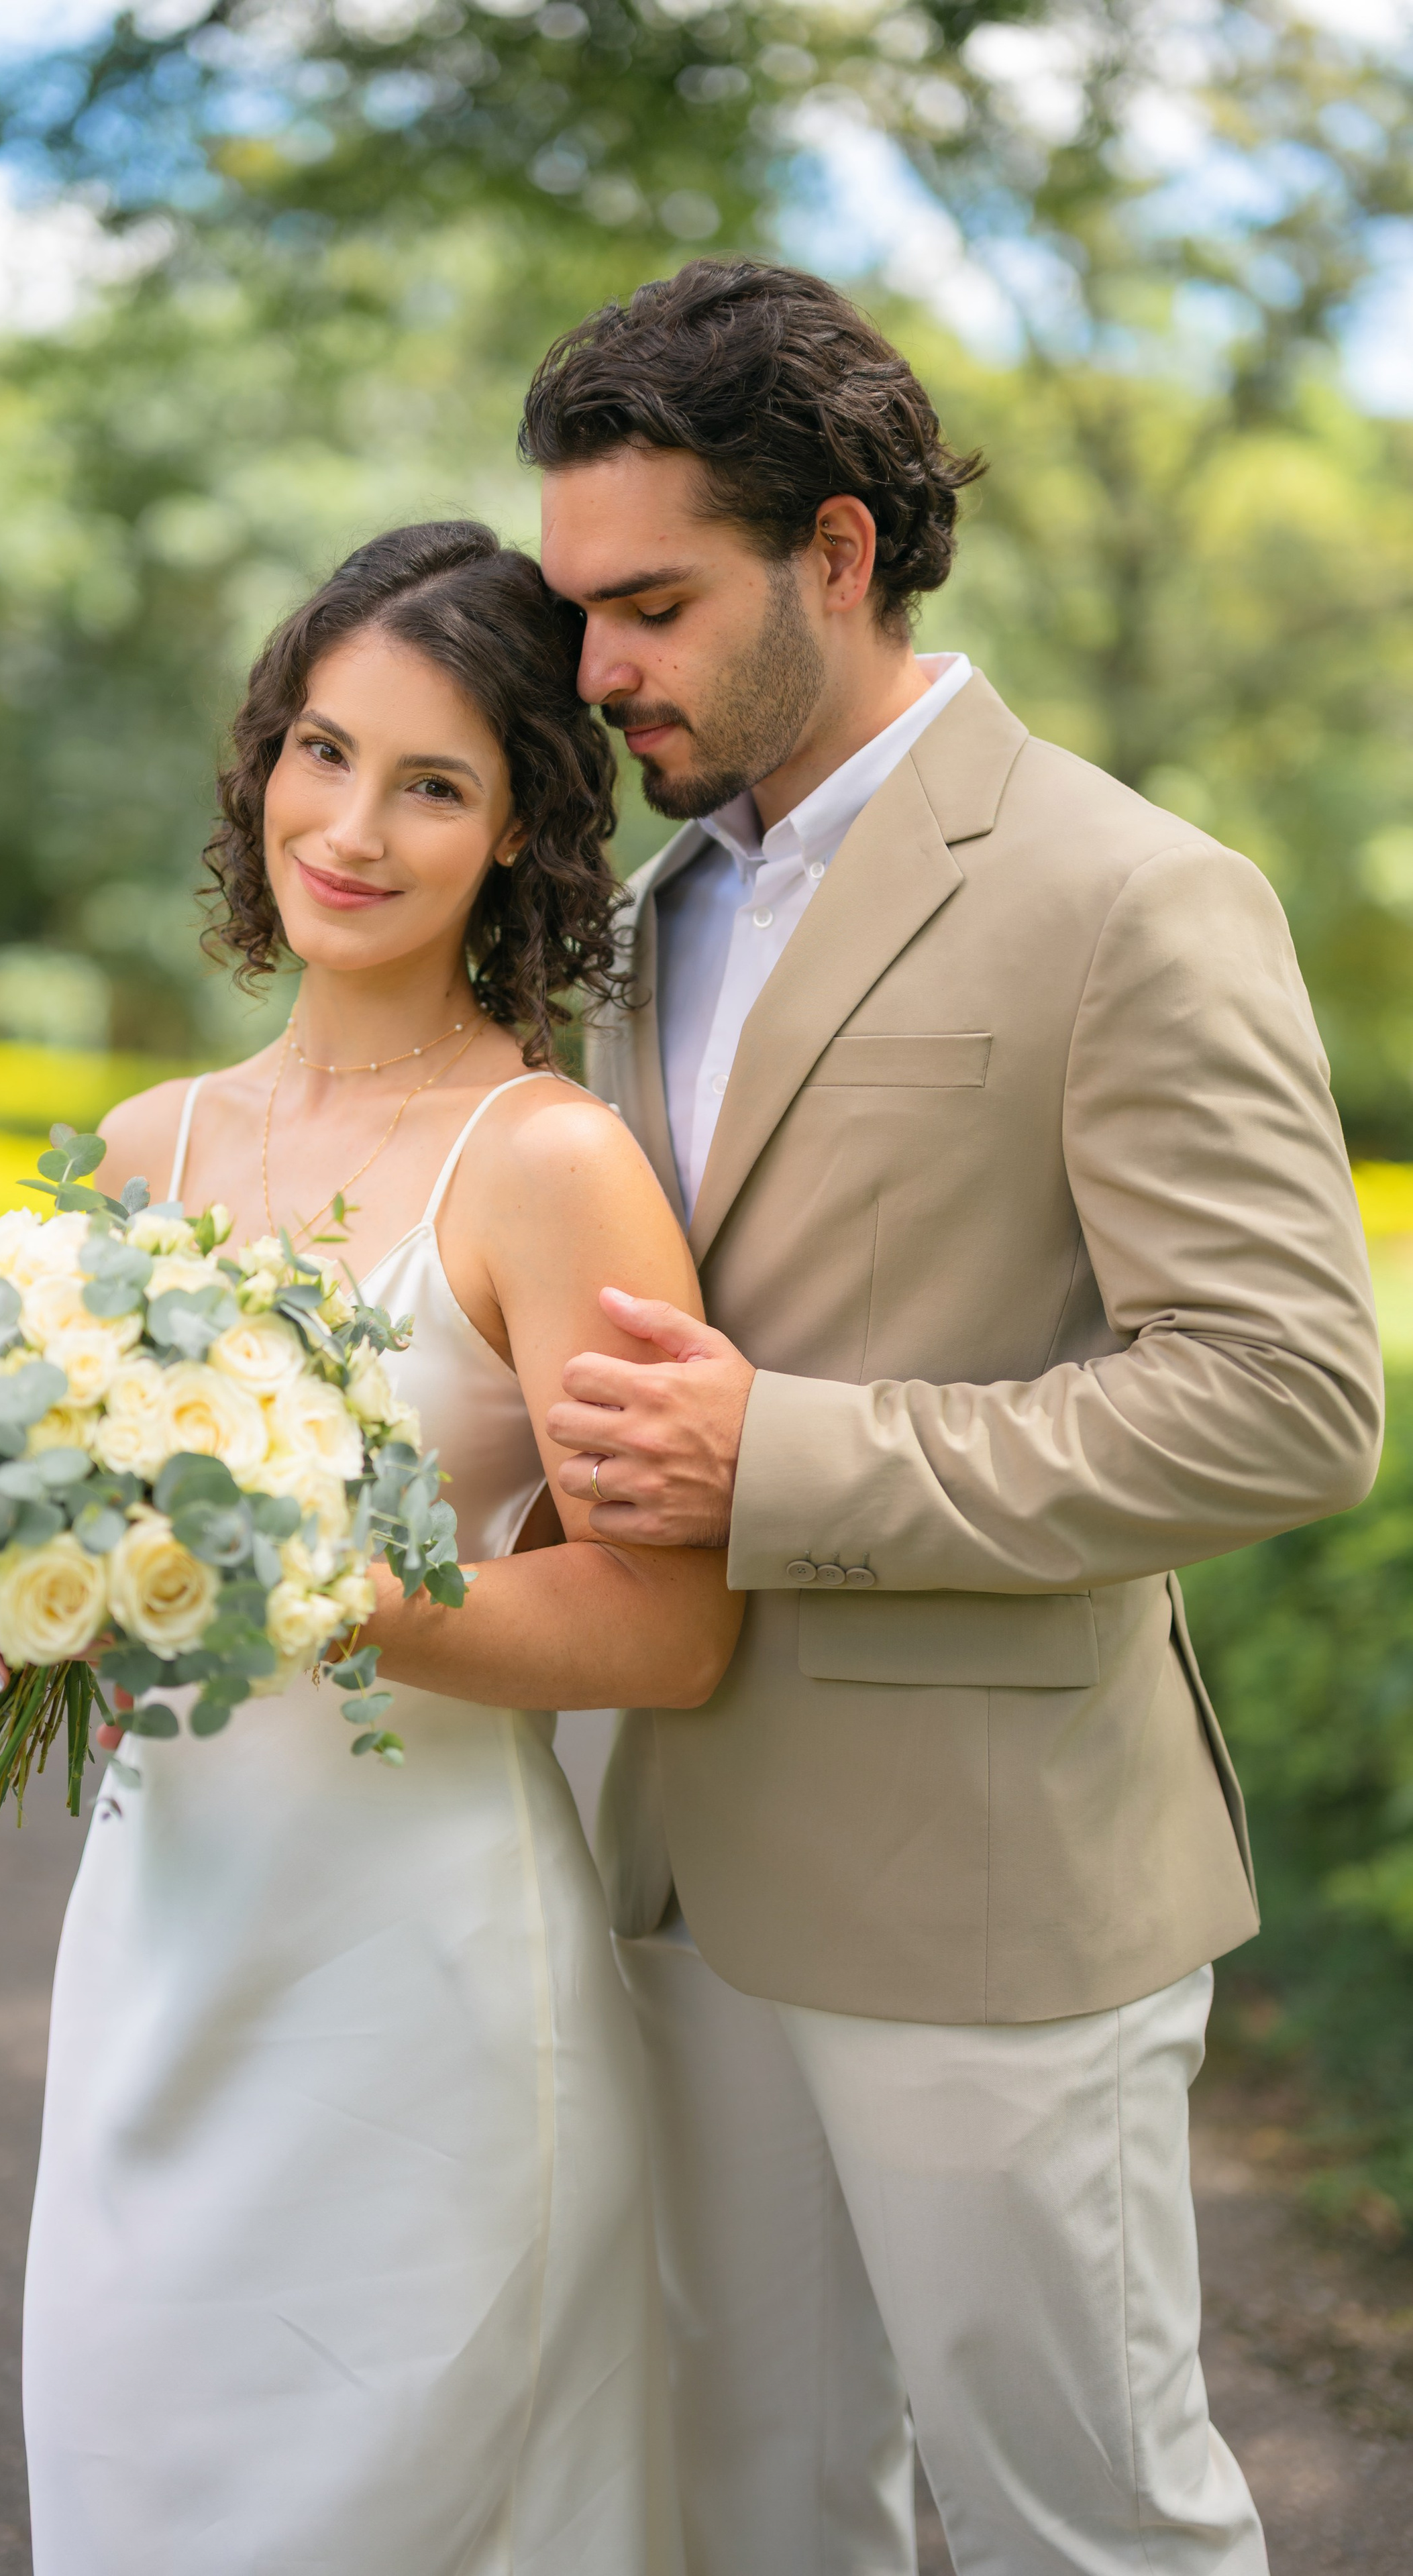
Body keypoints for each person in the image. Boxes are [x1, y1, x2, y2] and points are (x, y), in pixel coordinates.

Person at [526, 260, 1384, 2576]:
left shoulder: (1136, 897)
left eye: (650, 605)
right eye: (576, 610)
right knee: (761, 2509)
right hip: (664, 1860)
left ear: (836, 552)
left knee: (1084, 2526)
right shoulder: (634, 917)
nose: (597, 671)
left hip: (997, 1890)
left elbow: (1291, 1401)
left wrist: (777, 1460)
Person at [0, 521, 741, 2575]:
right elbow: (87, 1505)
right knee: (136, 2487)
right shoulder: (145, 1152)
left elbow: (670, 1630)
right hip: (162, 1944)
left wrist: (344, 1599)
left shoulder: (549, 1166)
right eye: (320, 749)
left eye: (433, 783)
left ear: (524, 831)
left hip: (423, 1991)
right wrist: (13, 1586)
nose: (350, 827)